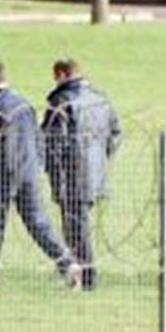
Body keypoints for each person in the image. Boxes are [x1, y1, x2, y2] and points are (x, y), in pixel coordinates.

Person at [0, 58, 79, 291]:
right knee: (38, 222)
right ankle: (67, 263)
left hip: (0, 172)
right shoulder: (25, 104)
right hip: (28, 171)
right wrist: (37, 165)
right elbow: (38, 137)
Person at [41, 58, 122, 291]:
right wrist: (99, 158)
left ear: (64, 73)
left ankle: (85, 276)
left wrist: (51, 167)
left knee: (76, 226)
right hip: (95, 172)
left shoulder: (62, 101)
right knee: (79, 224)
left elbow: (52, 140)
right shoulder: (100, 98)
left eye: (56, 76)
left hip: (71, 173)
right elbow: (115, 134)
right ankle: (79, 272)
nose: (54, 81)